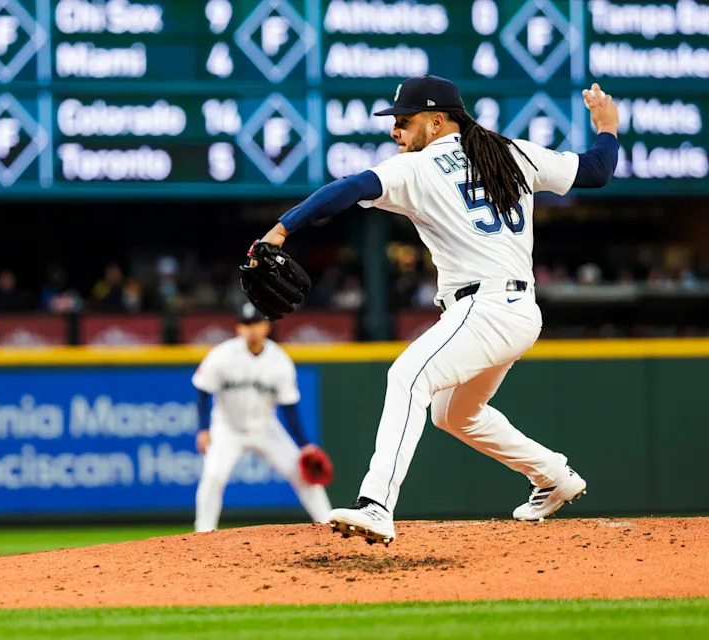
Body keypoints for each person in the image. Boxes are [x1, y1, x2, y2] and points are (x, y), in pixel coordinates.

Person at [251, 76, 620, 544]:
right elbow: (596, 171)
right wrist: (607, 127)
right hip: (517, 309)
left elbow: (346, 189)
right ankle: (553, 476)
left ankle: (377, 504)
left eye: (404, 121)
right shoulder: (510, 151)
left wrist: (281, 229)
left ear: (438, 120)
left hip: (485, 307)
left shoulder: (419, 168)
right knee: (454, 413)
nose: (396, 131)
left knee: (408, 377)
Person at [191, 303, 332, 532]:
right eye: (246, 324)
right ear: (238, 328)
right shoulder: (221, 355)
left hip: (265, 427)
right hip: (227, 427)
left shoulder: (279, 360)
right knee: (214, 475)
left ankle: (329, 524)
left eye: (255, 323)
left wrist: (304, 445)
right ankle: (202, 532)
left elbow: (289, 408)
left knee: (301, 472)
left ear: (266, 326)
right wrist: (203, 429)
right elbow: (203, 391)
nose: (251, 330)